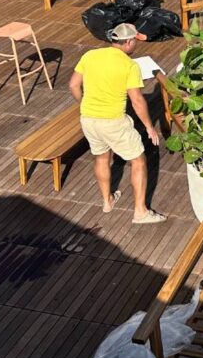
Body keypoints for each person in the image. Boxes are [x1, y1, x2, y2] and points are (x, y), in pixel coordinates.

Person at [68, 23, 166, 224]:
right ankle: (140, 212)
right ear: (128, 42)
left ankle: (107, 201)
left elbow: (73, 85)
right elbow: (137, 101)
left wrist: (84, 103)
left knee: (101, 158)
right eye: (134, 42)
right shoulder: (129, 66)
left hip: (88, 119)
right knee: (138, 161)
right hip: (113, 121)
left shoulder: (90, 56)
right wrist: (149, 127)